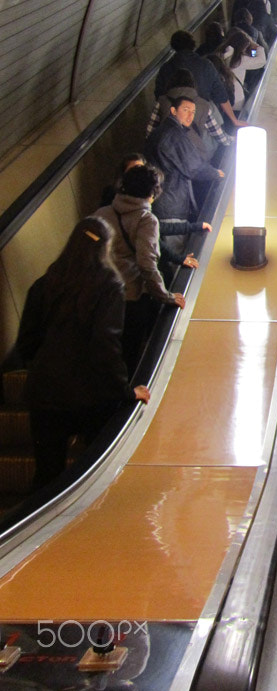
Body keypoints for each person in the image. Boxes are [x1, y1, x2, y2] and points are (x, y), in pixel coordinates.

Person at [15, 216, 151, 489]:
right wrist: (125, 391)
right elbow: (106, 345)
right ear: (105, 248)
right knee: (95, 475)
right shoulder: (109, 286)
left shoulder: (44, 284)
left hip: (45, 395)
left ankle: (39, 530)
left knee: (47, 475)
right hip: (92, 397)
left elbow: (25, 344)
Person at [96, 165, 186, 375]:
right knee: (131, 351)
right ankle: (128, 396)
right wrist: (165, 296)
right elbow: (147, 263)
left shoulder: (102, 213)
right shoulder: (146, 220)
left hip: (101, 294)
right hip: (131, 296)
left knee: (108, 350)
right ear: (153, 192)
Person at [145, 95, 225, 225]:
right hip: (171, 205)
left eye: (193, 112)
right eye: (185, 110)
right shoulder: (174, 135)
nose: (190, 116)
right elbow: (194, 167)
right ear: (173, 111)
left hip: (159, 201)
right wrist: (216, 173)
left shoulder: (158, 132)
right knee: (175, 241)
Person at [154, 30, 248, 131]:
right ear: (192, 44)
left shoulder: (165, 68)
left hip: (173, 121)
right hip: (201, 120)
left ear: (174, 46)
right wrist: (234, 120)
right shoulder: (205, 65)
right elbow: (221, 95)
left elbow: (159, 95)